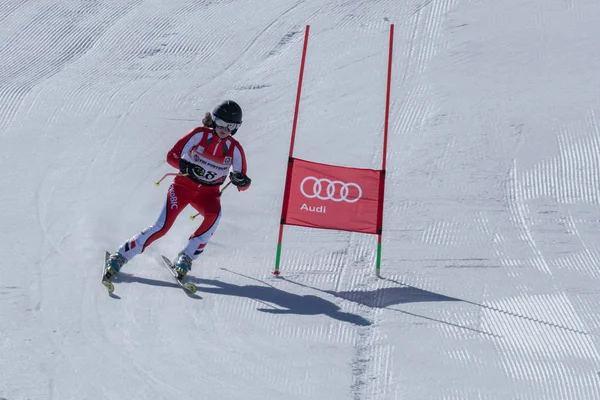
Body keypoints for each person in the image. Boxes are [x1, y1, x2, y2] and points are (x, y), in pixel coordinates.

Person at [104, 100, 251, 281]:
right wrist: (186, 167)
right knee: (162, 226)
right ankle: (120, 255)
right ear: (213, 120)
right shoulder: (198, 135)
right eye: (220, 123)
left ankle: (187, 256)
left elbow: (243, 185)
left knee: (214, 216)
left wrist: (241, 181)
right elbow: (171, 156)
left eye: (231, 126)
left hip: (208, 194)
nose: (224, 129)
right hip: (183, 186)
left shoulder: (235, 149)